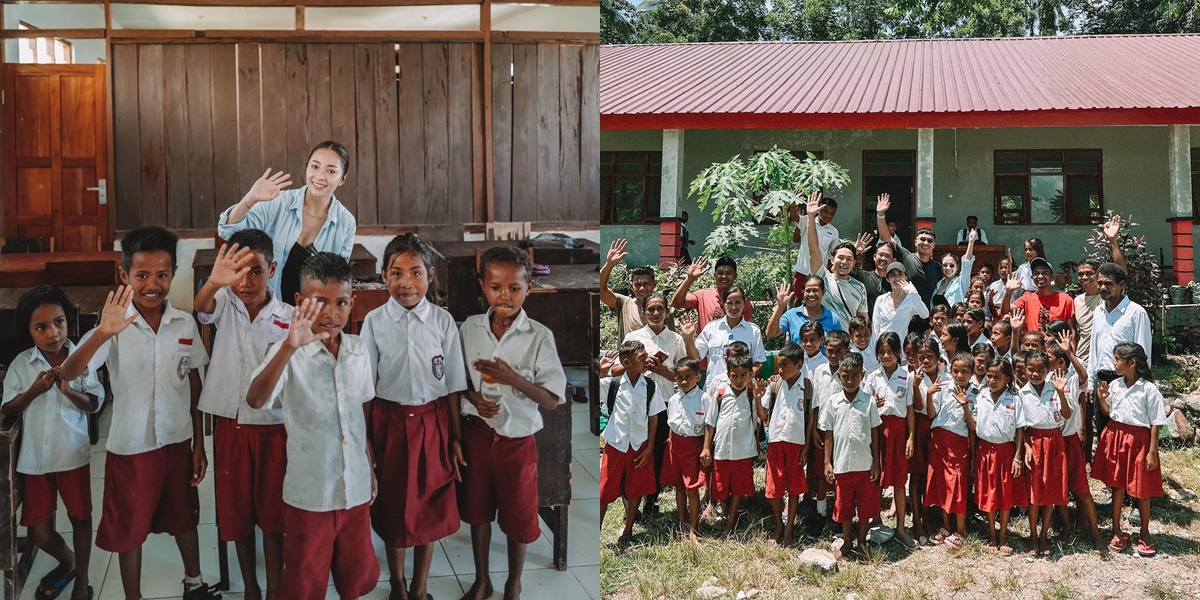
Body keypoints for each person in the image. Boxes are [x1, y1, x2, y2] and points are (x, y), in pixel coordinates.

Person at [57, 227, 218, 600]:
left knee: (184, 518)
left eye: (162, 274)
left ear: (174, 272)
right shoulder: (113, 324)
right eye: (142, 275)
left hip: (177, 440)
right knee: (130, 529)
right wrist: (101, 333)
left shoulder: (184, 323)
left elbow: (194, 385)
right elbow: (68, 372)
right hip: (131, 445)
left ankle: (193, 584)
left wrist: (198, 445)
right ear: (124, 275)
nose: (153, 285)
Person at [245, 253, 379, 599]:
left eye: (341, 302)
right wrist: (290, 346)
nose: (331, 313)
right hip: (310, 495)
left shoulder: (359, 350)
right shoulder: (286, 353)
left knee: (354, 575)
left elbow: (358, 414)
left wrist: (369, 466)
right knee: (306, 582)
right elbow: (256, 400)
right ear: (301, 302)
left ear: (353, 302)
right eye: (321, 302)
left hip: (355, 489)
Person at [457, 244, 569, 600]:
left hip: (517, 443)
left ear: (529, 288)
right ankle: (482, 580)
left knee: (519, 518)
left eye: (514, 288)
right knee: (477, 512)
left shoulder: (539, 337)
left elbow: (552, 399)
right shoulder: (469, 329)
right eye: (495, 287)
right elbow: (457, 381)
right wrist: (470, 398)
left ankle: (513, 583)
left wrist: (513, 379)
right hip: (477, 434)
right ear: (482, 286)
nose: (504, 296)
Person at [359, 234, 466, 600]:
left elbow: (453, 385)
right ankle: (398, 586)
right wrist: (367, 440)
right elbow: (367, 389)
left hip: (433, 422)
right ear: (383, 275)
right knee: (393, 506)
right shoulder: (373, 322)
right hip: (388, 423)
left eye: (415, 273)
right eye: (396, 273)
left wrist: (454, 436)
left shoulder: (442, 322)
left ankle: (420, 589)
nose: (406, 283)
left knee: (430, 506)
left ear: (430, 275)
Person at [193, 229, 292, 600]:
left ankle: (276, 589)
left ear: (273, 269)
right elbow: (202, 308)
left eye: (256, 272)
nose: (246, 282)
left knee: (273, 514)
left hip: (273, 427)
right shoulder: (223, 301)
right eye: (238, 272)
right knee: (238, 514)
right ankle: (250, 587)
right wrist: (216, 281)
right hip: (230, 424)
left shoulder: (287, 316)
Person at [2, 286, 103, 600]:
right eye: (41, 327)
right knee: (38, 531)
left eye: (58, 322)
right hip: (35, 459)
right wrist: (34, 390)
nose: (52, 333)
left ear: (68, 323)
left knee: (81, 518)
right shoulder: (22, 363)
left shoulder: (80, 359)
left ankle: (82, 579)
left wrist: (69, 390)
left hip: (71, 455)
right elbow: (7, 407)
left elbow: (95, 403)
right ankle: (68, 560)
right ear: (28, 331)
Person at [217, 141, 357, 303]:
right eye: (315, 166)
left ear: (342, 179)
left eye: (331, 171)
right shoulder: (278, 202)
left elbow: (338, 278)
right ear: (307, 168)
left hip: (310, 312)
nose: (320, 176)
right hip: (267, 308)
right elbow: (227, 231)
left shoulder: (346, 222)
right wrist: (250, 198)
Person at [620, 293, 699, 520]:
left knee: (658, 453)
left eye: (660, 309)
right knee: (635, 450)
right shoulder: (634, 337)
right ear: (644, 312)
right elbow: (623, 368)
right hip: (637, 403)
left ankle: (651, 502)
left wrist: (662, 370)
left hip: (664, 403)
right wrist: (643, 367)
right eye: (651, 309)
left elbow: (683, 375)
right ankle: (630, 504)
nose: (656, 313)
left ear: (667, 311)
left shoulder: (675, 339)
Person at [1091, 342, 1167, 557]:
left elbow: (1155, 423)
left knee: (1141, 489)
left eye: (1117, 359)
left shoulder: (1148, 389)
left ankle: (1144, 531)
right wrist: (1102, 399)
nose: (1114, 363)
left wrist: (1152, 451)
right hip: (1116, 438)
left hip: (1139, 442)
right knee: (1117, 486)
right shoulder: (1115, 385)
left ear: (1131, 363)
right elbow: (1108, 412)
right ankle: (1116, 529)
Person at [599, 341, 665, 544]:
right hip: (616, 445)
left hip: (639, 445)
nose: (647, 360)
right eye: (642, 357)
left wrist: (650, 447)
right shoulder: (613, 384)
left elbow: (653, 417)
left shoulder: (650, 385)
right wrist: (601, 373)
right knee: (604, 491)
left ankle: (628, 531)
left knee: (634, 489)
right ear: (626, 362)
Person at [1045, 337, 1105, 552]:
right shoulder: (1045, 379)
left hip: (1069, 441)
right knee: (1058, 487)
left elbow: (1084, 376)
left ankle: (1095, 532)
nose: (1045, 360)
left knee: (1081, 488)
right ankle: (1067, 528)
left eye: (1049, 358)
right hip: (1053, 441)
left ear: (1060, 362)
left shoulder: (1071, 379)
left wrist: (1069, 352)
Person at [820, 352, 881, 560]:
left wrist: (876, 463)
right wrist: (827, 462)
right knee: (844, 506)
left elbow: (874, 433)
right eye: (845, 376)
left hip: (865, 464)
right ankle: (847, 542)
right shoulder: (833, 402)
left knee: (865, 507)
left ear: (862, 376)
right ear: (839, 376)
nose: (849, 380)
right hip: (842, 464)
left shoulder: (869, 402)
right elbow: (828, 433)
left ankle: (862, 542)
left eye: (854, 376)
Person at [700, 354, 763, 538]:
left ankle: (730, 523)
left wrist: (759, 398)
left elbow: (762, 417)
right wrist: (706, 448)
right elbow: (710, 422)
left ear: (750, 374)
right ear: (728, 375)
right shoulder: (720, 394)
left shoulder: (752, 394)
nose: (739, 380)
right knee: (721, 487)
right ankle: (725, 509)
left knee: (738, 489)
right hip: (722, 450)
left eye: (744, 375)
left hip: (743, 451)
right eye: (734, 375)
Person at [863, 332, 916, 548]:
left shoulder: (907, 376)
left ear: (899, 353)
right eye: (881, 352)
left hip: (899, 431)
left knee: (899, 480)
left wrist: (911, 437)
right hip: (878, 430)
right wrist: (873, 403)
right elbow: (865, 408)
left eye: (890, 352)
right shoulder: (872, 377)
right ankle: (875, 522)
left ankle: (901, 527)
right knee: (876, 477)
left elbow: (910, 408)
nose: (886, 356)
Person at [1014, 350, 1070, 558]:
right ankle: (1033, 535)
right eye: (1031, 369)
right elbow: (1020, 425)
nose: (1035, 374)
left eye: (1040, 370)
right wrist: (1027, 447)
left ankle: (1045, 534)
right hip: (1033, 443)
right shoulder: (1021, 394)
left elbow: (1066, 414)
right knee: (1035, 494)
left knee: (1050, 491)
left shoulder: (1055, 389)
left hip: (1054, 443)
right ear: (1025, 370)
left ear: (1049, 370)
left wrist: (1062, 393)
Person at [1087, 261, 1152, 441]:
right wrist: (1091, 381)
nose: (1102, 287)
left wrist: (1137, 384)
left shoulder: (1136, 313)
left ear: (1121, 285)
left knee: (1125, 431)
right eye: (1100, 283)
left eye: (1108, 283)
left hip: (1126, 380)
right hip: (1102, 380)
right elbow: (1095, 348)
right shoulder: (1099, 312)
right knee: (1103, 432)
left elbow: (1142, 351)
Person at [972, 358, 1026, 555]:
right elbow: (974, 424)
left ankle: (1003, 534)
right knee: (989, 493)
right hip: (985, 451)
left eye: (997, 377)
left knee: (1004, 494)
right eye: (989, 375)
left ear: (1008, 379)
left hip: (1006, 452)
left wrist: (1017, 457)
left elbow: (1020, 429)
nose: (992, 380)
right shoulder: (981, 396)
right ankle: (991, 534)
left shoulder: (1015, 398)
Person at [924, 351, 976, 548]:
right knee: (941, 484)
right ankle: (946, 526)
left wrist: (965, 405)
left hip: (958, 443)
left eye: (964, 372)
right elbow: (932, 413)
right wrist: (929, 395)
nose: (960, 376)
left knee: (958, 485)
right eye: (956, 371)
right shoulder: (944, 387)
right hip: (939, 440)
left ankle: (960, 530)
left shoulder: (976, 393)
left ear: (971, 373)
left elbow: (973, 426)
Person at [758, 344, 808, 546]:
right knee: (775, 487)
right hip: (776, 441)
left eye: (785, 365)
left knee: (794, 487)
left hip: (797, 442)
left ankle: (790, 527)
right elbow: (763, 416)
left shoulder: (808, 386)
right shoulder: (774, 385)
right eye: (779, 365)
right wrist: (757, 396)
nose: (780, 370)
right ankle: (779, 524)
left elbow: (811, 418)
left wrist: (807, 447)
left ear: (799, 365)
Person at [661, 357, 710, 544]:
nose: (683, 381)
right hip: (675, 445)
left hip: (694, 447)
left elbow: (708, 425)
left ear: (698, 377)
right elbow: (672, 424)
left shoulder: (704, 398)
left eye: (688, 377)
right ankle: (682, 523)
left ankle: (694, 527)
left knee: (692, 489)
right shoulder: (674, 399)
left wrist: (706, 448)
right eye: (679, 377)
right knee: (679, 486)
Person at [803, 191, 868, 324]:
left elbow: (863, 320)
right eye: (840, 258)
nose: (844, 262)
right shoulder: (822, 278)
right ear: (832, 259)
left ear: (854, 262)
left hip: (846, 343)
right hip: (824, 343)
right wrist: (810, 217)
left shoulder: (859, 287)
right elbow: (814, 249)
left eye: (849, 259)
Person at [875, 194, 941, 315]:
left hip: (925, 317)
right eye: (922, 239)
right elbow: (886, 238)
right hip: (904, 318)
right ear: (916, 242)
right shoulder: (906, 257)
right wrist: (880, 215)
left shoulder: (937, 268)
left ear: (934, 245)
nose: (925, 242)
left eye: (929, 240)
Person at [696, 287, 766, 388]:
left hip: (743, 391)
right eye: (729, 303)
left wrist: (745, 376)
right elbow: (696, 357)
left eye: (738, 302)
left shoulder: (753, 331)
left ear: (744, 303)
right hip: (714, 390)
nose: (733, 307)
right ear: (723, 304)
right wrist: (688, 337)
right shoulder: (711, 328)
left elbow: (758, 362)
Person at [600, 239, 663, 343]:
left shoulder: (662, 309)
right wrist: (609, 264)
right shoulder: (624, 304)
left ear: (654, 285)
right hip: (628, 358)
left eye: (646, 284)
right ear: (631, 286)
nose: (642, 288)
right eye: (637, 285)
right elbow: (601, 290)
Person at [1002, 257, 1077, 341]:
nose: (1040, 276)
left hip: (1056, 351)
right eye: (1036, 273)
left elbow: (1071, 331)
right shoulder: (1027, 298)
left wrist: (1072, 353)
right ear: (1032, 278)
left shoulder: (1066, 299)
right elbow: (1005, 311)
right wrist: (1008, 291)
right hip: (1034, 349)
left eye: (1045, 273)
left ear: (1052, 277)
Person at [671, 256, 753, 328]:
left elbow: (745, 330)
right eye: (720, 273)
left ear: (735, 276)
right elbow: (676, 303)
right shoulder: (702, 296)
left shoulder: (743, 302)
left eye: (728, 273)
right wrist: (689, 278)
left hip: (733, 345)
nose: (724, 276)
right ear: (715, 275)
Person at [767, 278, 843, 346]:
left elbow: (839, 344)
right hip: (798, 361)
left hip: (824, 361)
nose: (811, 294)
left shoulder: (833, 318)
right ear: (803, 292)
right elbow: (771, 334)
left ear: (823, 292)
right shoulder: (791, 315)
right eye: (808, 291)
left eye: (815, 290)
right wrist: (780, 307)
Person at [791, 193, 840, 294]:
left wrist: (832, 272)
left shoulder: (834, 232)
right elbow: (794, 216)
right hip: (803, 269)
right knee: (798, 299)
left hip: (820, 271)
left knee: (818, 299)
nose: (829, 215)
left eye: (832, 213)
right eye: (826, 211)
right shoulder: (807, 221)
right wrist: (793, 203)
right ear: (819, 209)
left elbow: (833, 253)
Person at [872, 262, 928, 339]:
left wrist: (913, 292)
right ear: (887, 279)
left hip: (900, 348)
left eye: (900, 274)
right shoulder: (881, 299)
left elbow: (925, 314)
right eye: (893, 275)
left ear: (906, 277)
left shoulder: (911, 299)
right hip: (882, 347)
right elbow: (875, 327)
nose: (897, 278)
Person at [849, 236, 898, 311]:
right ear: (874, 257)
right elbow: (839, 269)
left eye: (887, 256)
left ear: (893, 260)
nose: (883, 258)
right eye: (881, 255)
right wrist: (855, 251)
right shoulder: (862, 276)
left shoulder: (896, 284)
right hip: (865, 322)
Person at [932, 230, 977, 307]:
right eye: (945, 265)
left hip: (954, 318)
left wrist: (971, 242)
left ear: (957, 267)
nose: (948, 268)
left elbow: (967, 263)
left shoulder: (961, 282)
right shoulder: (937, 283)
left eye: (952, 265)